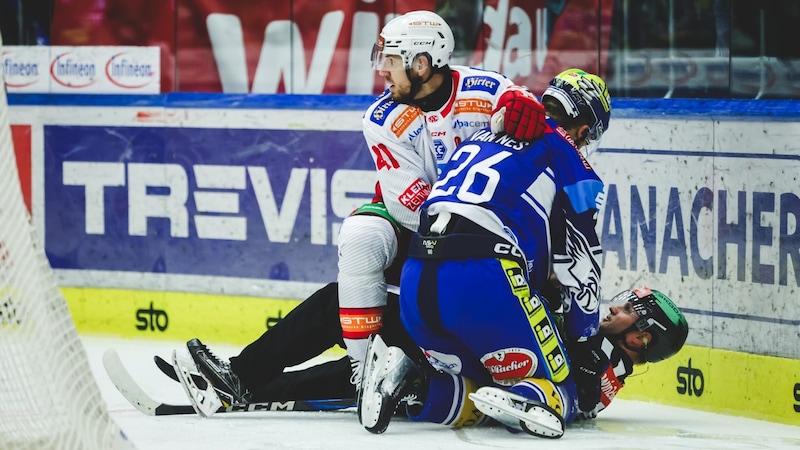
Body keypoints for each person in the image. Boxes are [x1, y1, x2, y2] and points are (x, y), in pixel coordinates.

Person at [178, 9, 548, 413]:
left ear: (421, 64)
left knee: (349, 314)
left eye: (390, 62)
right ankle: (347, 372)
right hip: (429, 234)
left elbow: (522, 109)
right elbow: (407, 206)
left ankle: (253, 381)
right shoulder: (382, 117)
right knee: (361, 241)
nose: (382, 73)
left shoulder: (485, 89)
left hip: (482, 264)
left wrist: (523, 101)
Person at [357, 68, 615, 437]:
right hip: (484, 276)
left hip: (417, 277)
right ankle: (529, 392)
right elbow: (582, 263)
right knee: (561, 389)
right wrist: (585, 342)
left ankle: (410, 376)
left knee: (477, 383)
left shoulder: (483, 134)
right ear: (585, 130)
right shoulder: (573, 159)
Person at [359, 285, 689, 436]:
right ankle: (525, 400)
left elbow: (586, 395)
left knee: (480, 404)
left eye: (628, 310)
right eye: (623, 302)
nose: (615, 307)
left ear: (640, 339)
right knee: (553, 397)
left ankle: (411, 384)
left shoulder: (607, 360)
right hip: (480, 351)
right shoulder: (602, 351)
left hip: (468, 351)